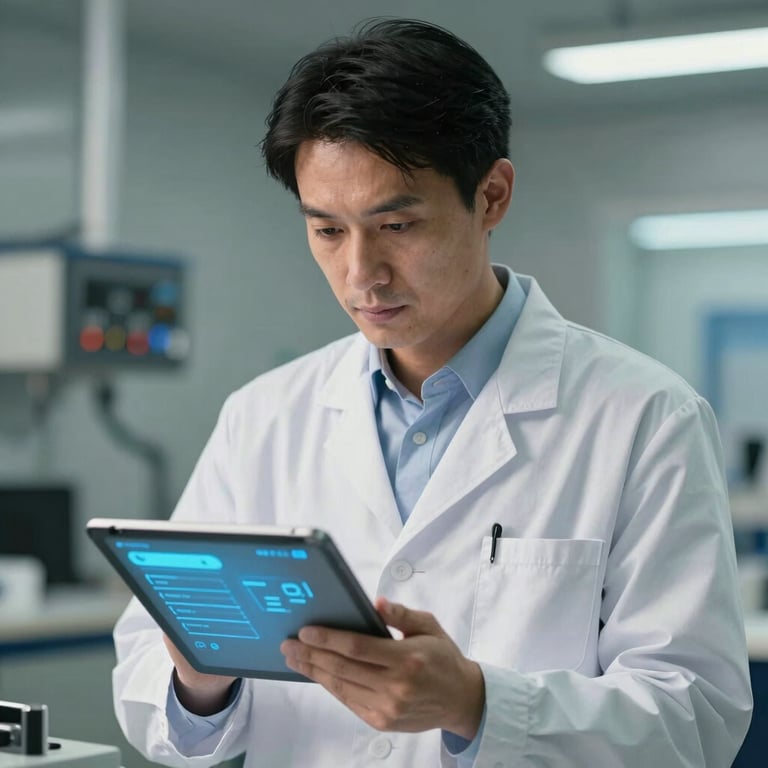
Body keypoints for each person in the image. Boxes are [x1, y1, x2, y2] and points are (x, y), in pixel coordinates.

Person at [112, 18, 752, 768]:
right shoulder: (265, 414)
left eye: (397, 224)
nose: (362, 273)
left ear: (491, 196)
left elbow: (696, 717)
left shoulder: (645, 417)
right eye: (327, 230)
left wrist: (476, 704)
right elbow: (150, 684)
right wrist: (198, 677)